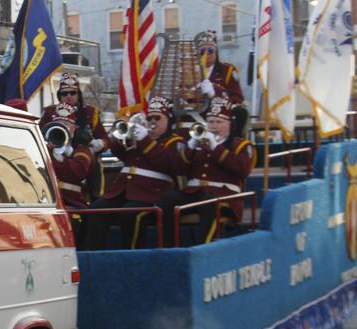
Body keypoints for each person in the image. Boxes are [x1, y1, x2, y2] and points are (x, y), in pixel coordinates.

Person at [83, 96, 190, 250]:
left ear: (168, 121)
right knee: (96, 210)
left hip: (150, 193)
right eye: (150, 117)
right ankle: (93, 258)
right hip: (122, 189)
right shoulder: (139, 138)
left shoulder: (175, 142)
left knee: (130, 214)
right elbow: (122, 155)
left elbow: (170, 165)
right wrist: (120, 138)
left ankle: (132, 259)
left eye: (157, 118)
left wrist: (145, 140)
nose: (153, 121)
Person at [157, 97, 255, 246]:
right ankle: (168, 248)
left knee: (209, 203)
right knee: (167, 199)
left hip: (224, 196)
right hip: (194, 191)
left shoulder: (240, 145)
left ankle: (203, 248)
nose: (214, 126)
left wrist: (215, 148)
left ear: (230, 124)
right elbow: (177, 169)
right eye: (210, 122)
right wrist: (190, 147)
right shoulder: (198, 144)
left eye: (219, 122)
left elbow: (243, 170)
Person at [46, 103, 95, 245]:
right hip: (50, 201)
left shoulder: (81, 150)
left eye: (67, 124)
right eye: (58, 123)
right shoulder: (46, 148)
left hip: (73, 202)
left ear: (74, 128)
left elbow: (79, 172)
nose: (62, 127)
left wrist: (61, 159)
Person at [195, 30, 244, 106]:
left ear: (216, 52)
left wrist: (215, 92)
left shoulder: (228, 70)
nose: (206, 53)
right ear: (197, 53)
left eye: (210, 50)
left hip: (219, 115)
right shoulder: (190, 71)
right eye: (202, 51)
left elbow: (237, 98)